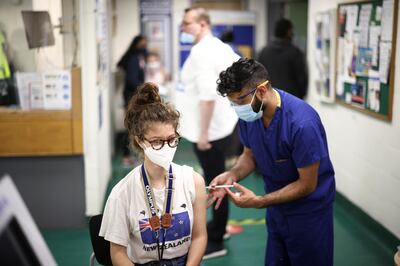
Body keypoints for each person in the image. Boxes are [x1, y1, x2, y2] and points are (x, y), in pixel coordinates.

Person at [208, 58, 335, 266]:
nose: (237, 108)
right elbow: (249, 155)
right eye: (233, 103)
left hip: (308, 214)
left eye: (240, 101)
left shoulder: (302, 123)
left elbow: (307, 184)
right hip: (276, 210)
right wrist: (232, 174)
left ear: (262, 89)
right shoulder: (251, 115)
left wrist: (259, 202)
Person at [99, 82, 207, 265]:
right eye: (157, 142)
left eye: (172, 139)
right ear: (140, 141)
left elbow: (199, 237)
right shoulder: (122, 193)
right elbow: (117, 253)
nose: (167, 147)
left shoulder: (193, 181)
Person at [176, 6, 240, 259]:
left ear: (202, 24)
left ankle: (216, 240)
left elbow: (207, 97)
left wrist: (203, 135)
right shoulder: (218, 46)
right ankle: (219, 227)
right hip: (222, 126)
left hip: (210, 132)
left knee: (215, 183)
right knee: (217, 179)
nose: (183, 27)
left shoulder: (204, 52)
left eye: (187, 22)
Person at [257, 18, 308, 99]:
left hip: (269, 100)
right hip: (291, 100)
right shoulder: (295, 52)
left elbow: (258, 77)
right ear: (288, 32)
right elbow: (302, 80)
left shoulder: (264, 52)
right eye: (292, 31)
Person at [117, 35, 147, 167]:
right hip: (132, 97)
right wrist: (145, 88)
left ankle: (129, 155)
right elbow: (132, 80)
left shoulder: (138, 57)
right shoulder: (133, 59)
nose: (145, 46)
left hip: (133, 95)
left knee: (133, 126)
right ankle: (126, 156)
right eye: (143, 43)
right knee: (130, 127)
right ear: (137, 44)